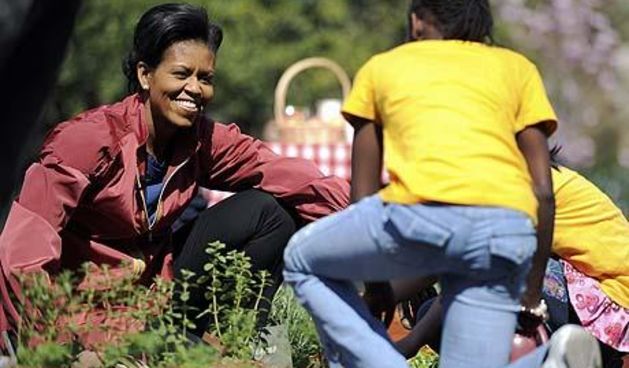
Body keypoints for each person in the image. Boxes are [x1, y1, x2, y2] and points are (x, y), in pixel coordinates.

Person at [0, 2, 349, 353]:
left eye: (206, 78)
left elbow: (284, 173)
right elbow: (22, 255)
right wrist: (62, 347)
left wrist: (373, 229)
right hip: (80, 315)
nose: (195, 89)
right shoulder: (85, 142)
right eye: (182, 74)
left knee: (268, 214)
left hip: (154, 301)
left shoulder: (202, 139)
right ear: (144, 75)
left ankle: (235, 346)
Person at [283, 1, 600, 367]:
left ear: (417, 21)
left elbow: (363, 194)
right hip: (506, 231)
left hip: (425, 217)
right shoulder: (516, 69)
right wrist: (531, 293)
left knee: (301, 259)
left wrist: (376, 283)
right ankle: (546, 363)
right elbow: (544, 193)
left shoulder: (385, 67)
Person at [395, 162, 628, 367]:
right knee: (433, 316)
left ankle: (549, 357)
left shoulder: (518, 187)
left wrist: (409, 344)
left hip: (609, 309)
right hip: (585, 307)